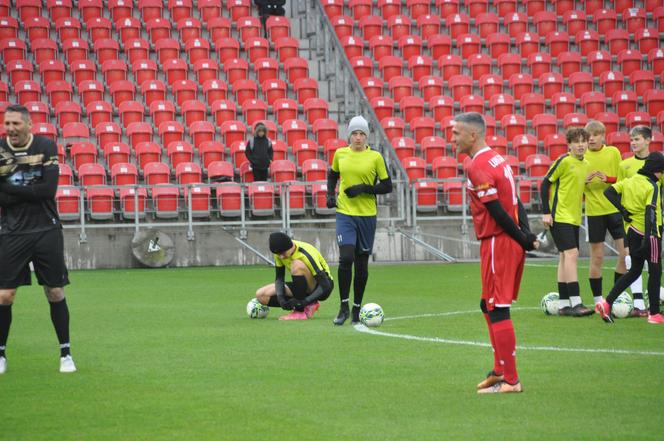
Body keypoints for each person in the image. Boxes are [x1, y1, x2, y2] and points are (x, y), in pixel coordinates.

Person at [452, 112, 538, 394]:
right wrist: (525, 234)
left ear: (472, 135)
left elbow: (498, 211)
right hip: (504, 239)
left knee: (498, 308)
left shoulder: (476, 166)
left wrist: (522, 238)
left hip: (498, 241)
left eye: (456, 133)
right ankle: (499, 369)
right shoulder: (498, 159)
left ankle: (511, 380)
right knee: (486, 305)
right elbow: (516, 202)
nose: (452, 138)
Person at [0, 104, 75, 374]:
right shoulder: (0, 149)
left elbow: (48, 191)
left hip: (46, 230)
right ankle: (1, 354)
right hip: (12, 231)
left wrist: (9, 188)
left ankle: (65, 353)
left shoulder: (45, 146)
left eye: (16, 124)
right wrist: (28, 189)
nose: (10, 129)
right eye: (7, 124)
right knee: (5, 296)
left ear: (29, 125)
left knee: (54, 291)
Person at [326, 115, 392, 325]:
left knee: (362, 265)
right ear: (349, 135)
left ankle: (356, 309)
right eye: (354, 133)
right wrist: (330, 193)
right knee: (346, 258)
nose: (358, 137)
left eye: (362, 134)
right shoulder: (340, 154)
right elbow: (332, 174)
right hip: (345, 213)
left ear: (366, 137)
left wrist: (364, 188)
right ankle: (343, 306)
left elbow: (387, 185)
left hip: (367, 215)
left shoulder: (375, 157)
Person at [598, 151, 664, 324]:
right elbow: (650, 212)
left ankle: (606, 302)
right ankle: (654, 314)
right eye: (661, 171)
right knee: (655, 271)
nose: (661, 174)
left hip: (632, 231)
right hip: (649, 234)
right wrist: (648, 238)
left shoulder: (630, 181)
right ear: (656, 170)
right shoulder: (652, 186)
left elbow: (609, 192)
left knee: (635, 271)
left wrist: (624, 211)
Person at [541, 127, 594, 317]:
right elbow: (545, 183)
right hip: (559, 216)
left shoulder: (586, 164)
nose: (580, 145)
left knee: (565, 256)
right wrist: (546, 213)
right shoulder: (563, 161)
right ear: (569, 144)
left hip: (574, 218)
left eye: (583, 141)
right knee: (572, 254)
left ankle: (563, 305)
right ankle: (576, 302)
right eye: (576, 141)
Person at [583, 120, 627, 306]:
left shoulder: (613, 152)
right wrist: (583, 181)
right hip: (594, 212)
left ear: (603, 136)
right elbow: (572, 183)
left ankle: (615, 298)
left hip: (616, 209)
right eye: (588, 136)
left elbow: (623, 179)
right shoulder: (580, 155)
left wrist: (607, 178)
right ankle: (598, 300)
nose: (591, 139)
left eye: (595, 135)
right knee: (597, 256)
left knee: (626, 254)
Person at [616, 125, 656, 316]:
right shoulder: (625, 165)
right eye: (631, 139)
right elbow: (619, 190)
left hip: (653, 221)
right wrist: (623, 211)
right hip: (631, 223)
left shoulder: (657, 162)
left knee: (654, 262)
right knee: (632, 259)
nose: (633, 143)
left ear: (648, 140)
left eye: (637, 139)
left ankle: (654, 301)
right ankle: (639, 304)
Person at [255, 232, 334, 321]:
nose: (281, 256)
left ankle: (300, 312)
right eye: (278, 254)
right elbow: (279, 278)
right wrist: (281, 299)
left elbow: (326, 285)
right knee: (261, 295)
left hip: (322, 286)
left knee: (296, 265)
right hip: (302, 286)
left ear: (290, 246)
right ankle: (306, 304)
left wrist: (304, 302)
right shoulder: (279, 253)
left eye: (283, 253)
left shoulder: (305, 253)